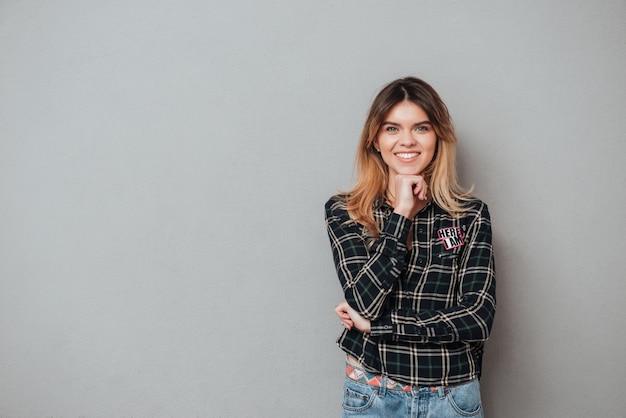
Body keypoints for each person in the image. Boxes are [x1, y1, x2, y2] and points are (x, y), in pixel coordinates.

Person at [324, 77, 496, 417]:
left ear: (438, 137)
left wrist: (380, 327)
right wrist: (401, 214)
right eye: (392, 128)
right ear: (374, 138)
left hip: (451, 398)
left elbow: (477, 319)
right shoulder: (345, 211)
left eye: (421, 128)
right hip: (373, 392)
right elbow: (363, 301)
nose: (406, 141)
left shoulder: (470, 216)